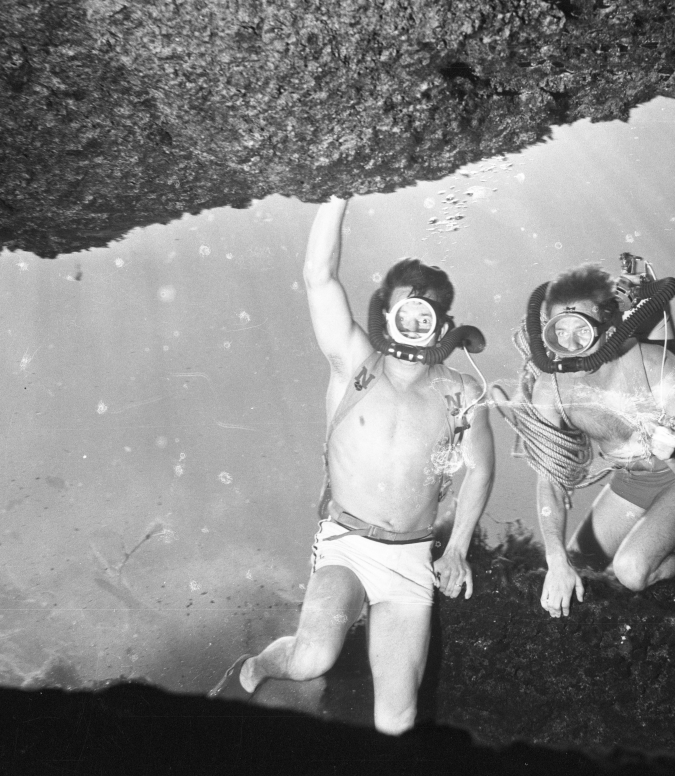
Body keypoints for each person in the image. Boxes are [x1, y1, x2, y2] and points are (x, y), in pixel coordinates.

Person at [209, 197, 495, 735]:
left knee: (396, 721)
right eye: (405, 309)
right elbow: (319, 276)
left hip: (410, 559)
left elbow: (479, 470)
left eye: (426, 313)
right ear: (386, 314)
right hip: (346, 541)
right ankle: (272, 661)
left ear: (443, 326)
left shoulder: (463, 393)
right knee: (312, 658)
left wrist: (456, 548)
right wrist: (337, 193)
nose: (414, 320)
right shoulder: (353, 365)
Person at [515, 262, 675, 618]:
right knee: (578, 564)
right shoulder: (550, 391)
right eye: (558, 332)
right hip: (630, 479)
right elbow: (549, 480)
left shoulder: (655, 363)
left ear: (608, 325)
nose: (571, 344)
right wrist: (555, 560)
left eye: (580, 329)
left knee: (630, 572)